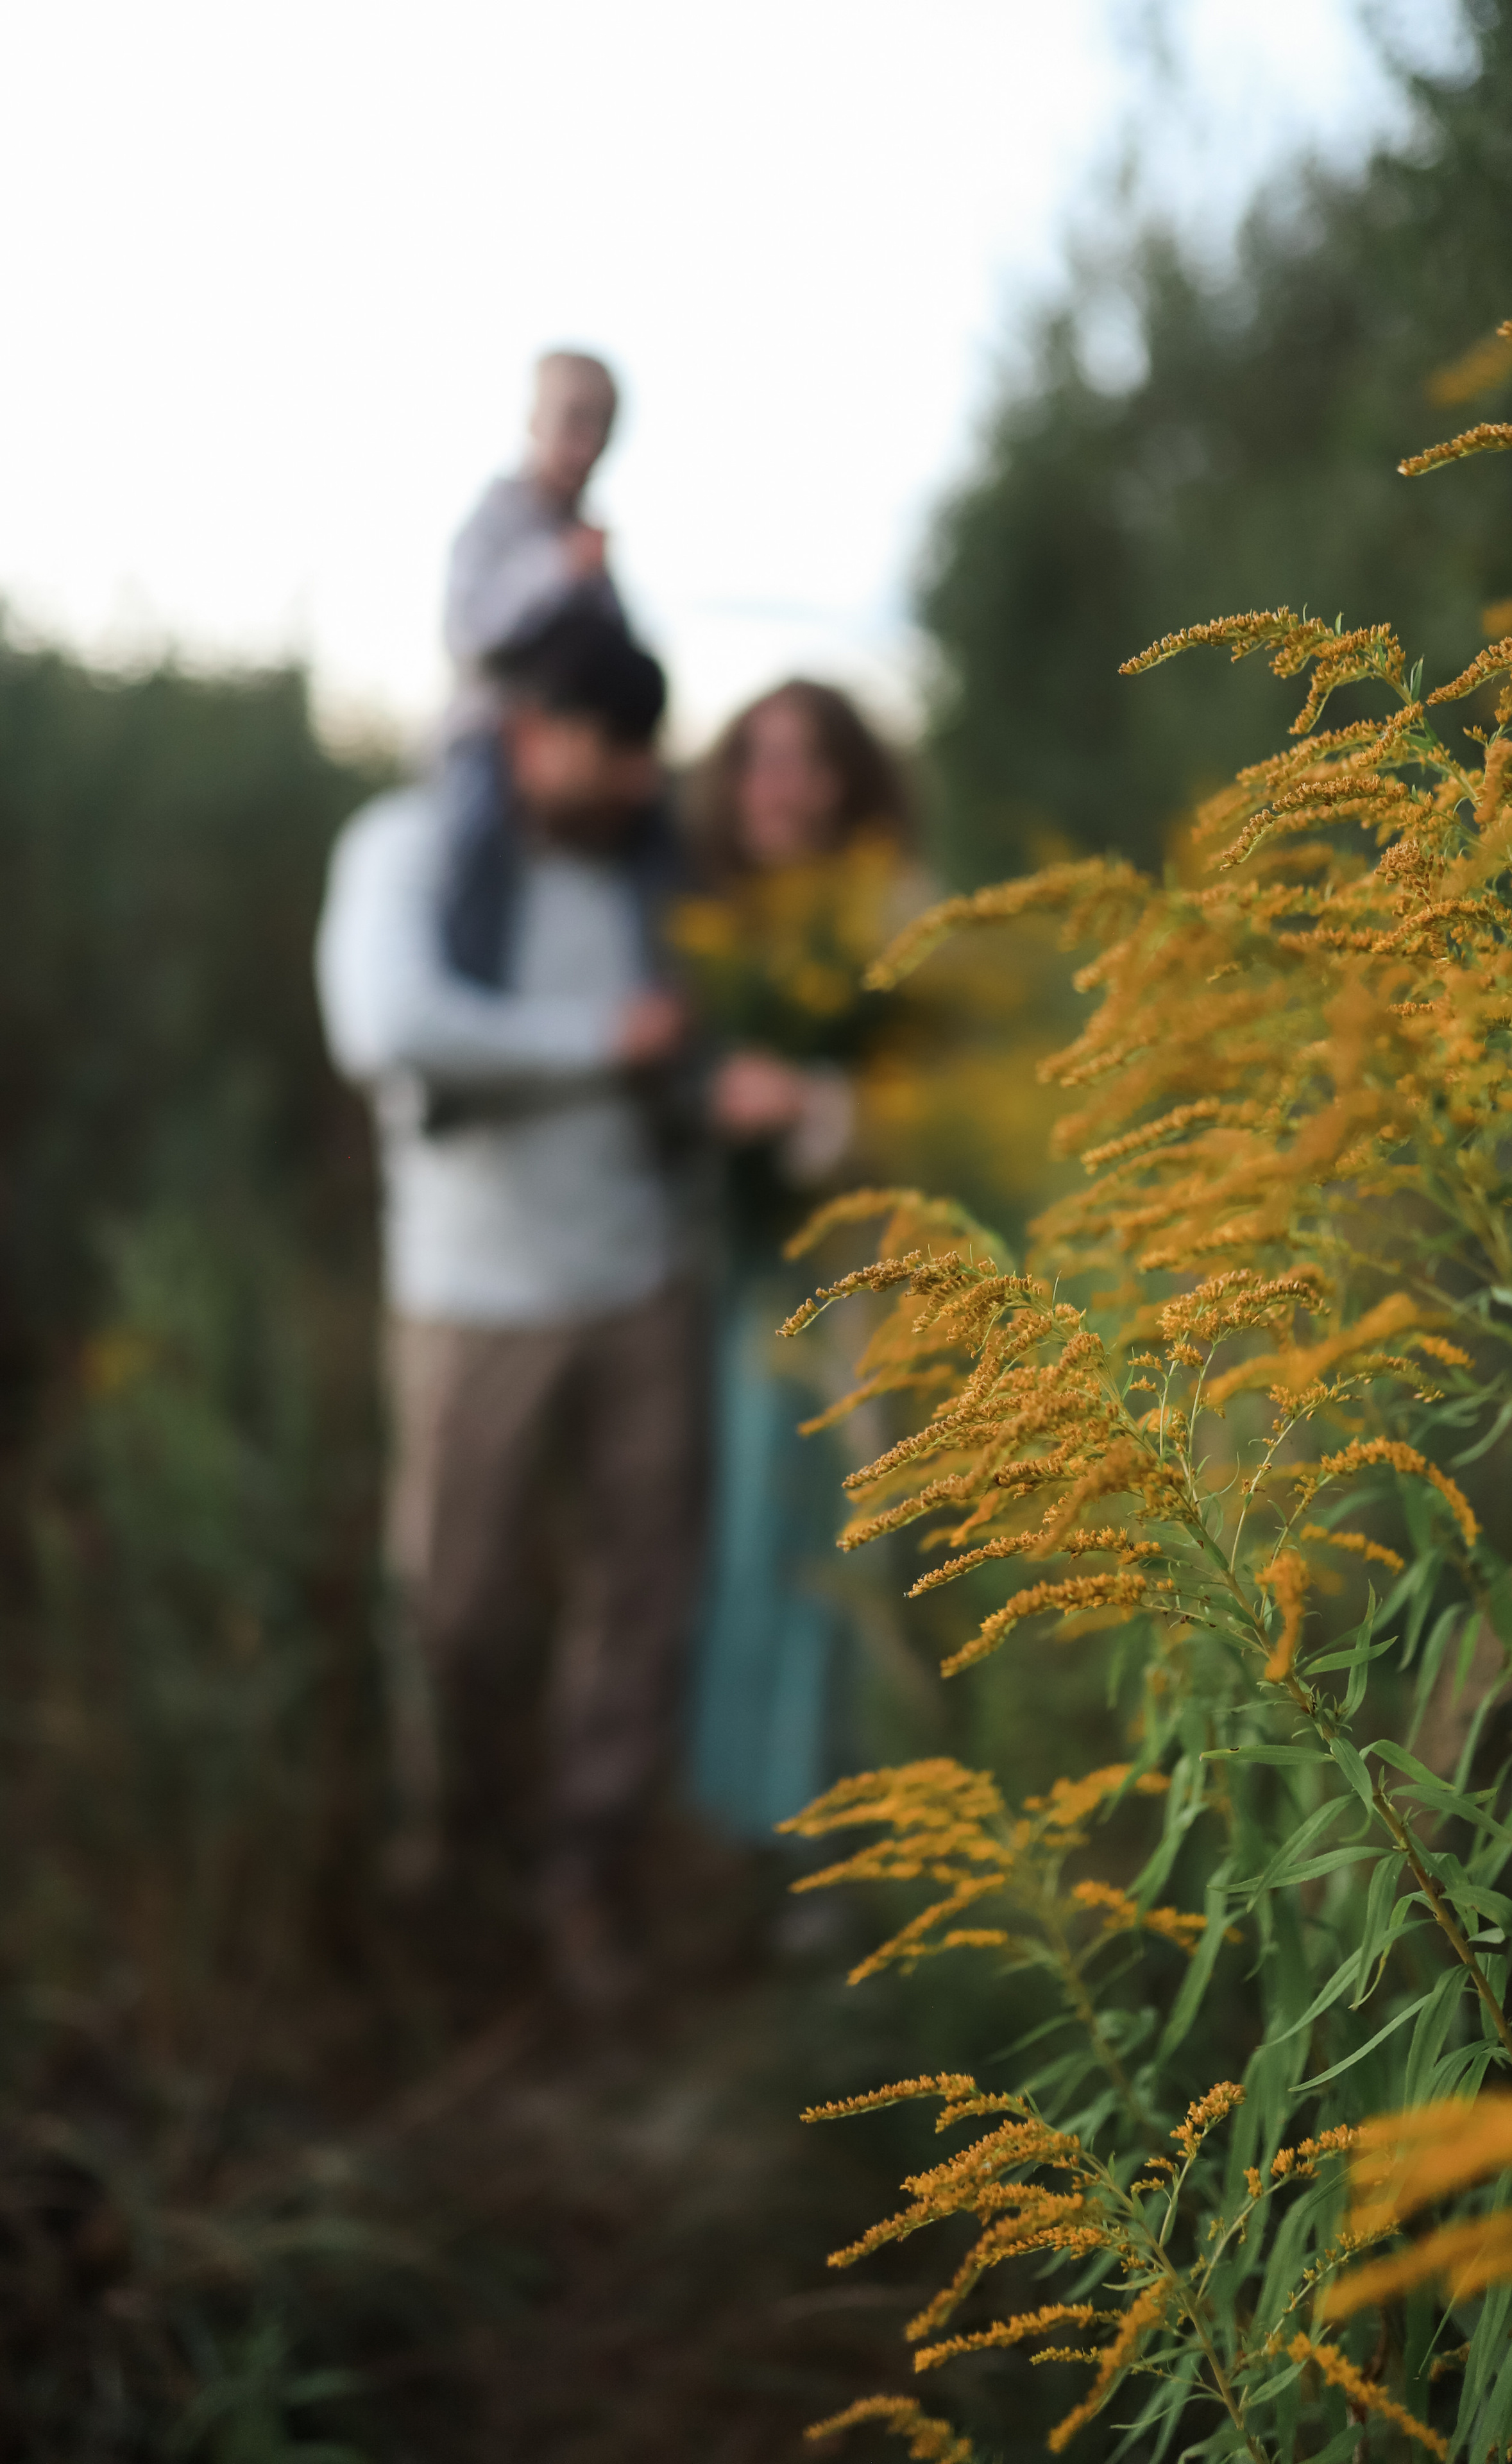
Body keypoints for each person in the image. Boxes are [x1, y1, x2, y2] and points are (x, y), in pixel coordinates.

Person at [316, 606, 702, 2010]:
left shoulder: (639, 878)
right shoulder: (406, 850)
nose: (641, 783)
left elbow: (691, 1037)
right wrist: (602, 1043)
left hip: (637, 1284)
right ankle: (448, 1868)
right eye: (617, 751)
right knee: (457, 1608)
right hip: (473, 1302)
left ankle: (580, 1875)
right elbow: (390, 1030)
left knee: (637, 1595)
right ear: (532, 732)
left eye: (650, 755)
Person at [675, 681, 921, 1841]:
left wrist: (811, 1102)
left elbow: (947, 1106)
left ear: (850, 781)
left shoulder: (897, 913)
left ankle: (850, 1819)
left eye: (808, 760)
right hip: (729, 1274)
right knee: (741, 1534)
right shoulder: (704, 919)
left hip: (860, 1286)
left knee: (842, 1541)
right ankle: (748, 1814)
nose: (778, 785)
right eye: (757, 759)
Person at [439, 350, 625, 986]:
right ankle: (471, 995)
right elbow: (467, 634)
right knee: (481, 833)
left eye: (602, 426)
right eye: (575, 420)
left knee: (663, 830)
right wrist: (557, 569)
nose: (587, 443)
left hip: (580, 740)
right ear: (533, 420)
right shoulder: (493, 522)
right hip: (491, 732)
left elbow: (616, 651)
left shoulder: (592, 538)